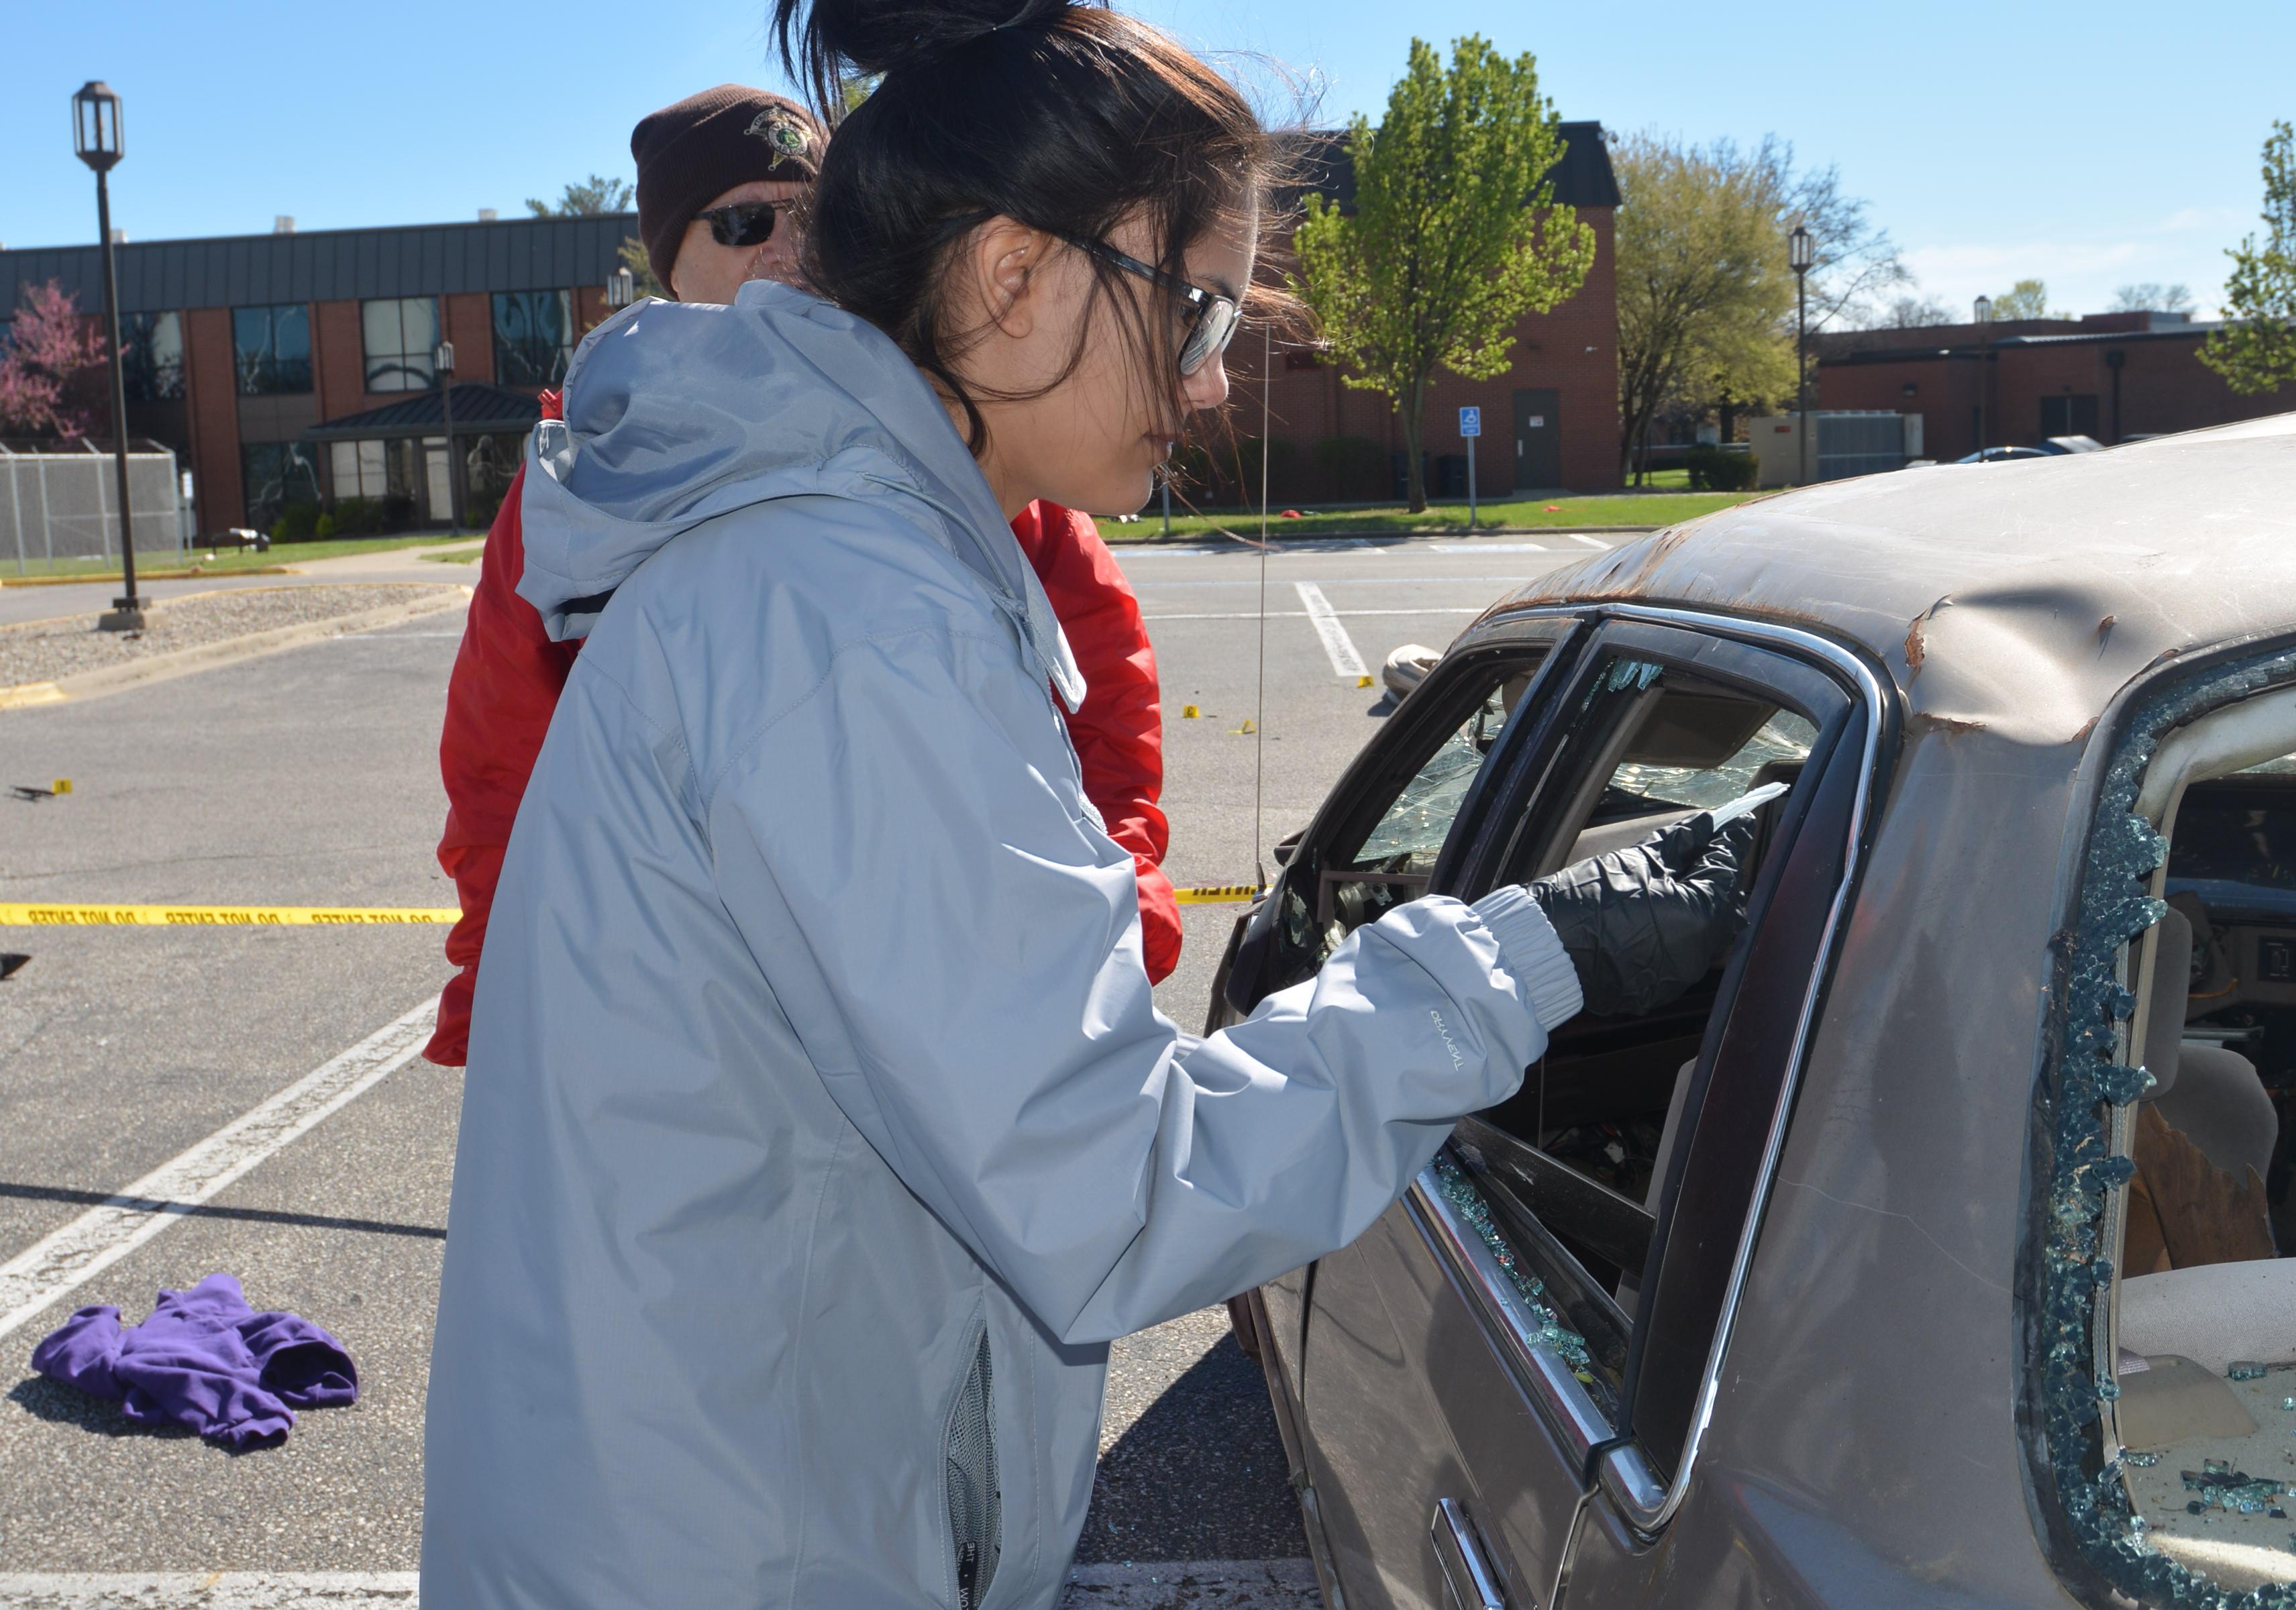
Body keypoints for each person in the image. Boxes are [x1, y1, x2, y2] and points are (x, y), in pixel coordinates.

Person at [417, 5, 1753, 1606]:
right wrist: (1545, 956)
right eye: (1192, 316)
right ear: (1011, 276)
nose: (1202, 390)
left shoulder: (845, 566)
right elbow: (1117, 1186)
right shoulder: (844, 616)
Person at [423, 87, 1180, 1069]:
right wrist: (507, 996)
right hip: (698, 1042)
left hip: (957, 1021)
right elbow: (503, 768)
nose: (788, 251)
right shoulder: (585, 482)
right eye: (743, 224)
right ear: (670, 266)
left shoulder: (966, 438)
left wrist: (1123, 907)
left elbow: (1108, 701)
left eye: (814, 218)